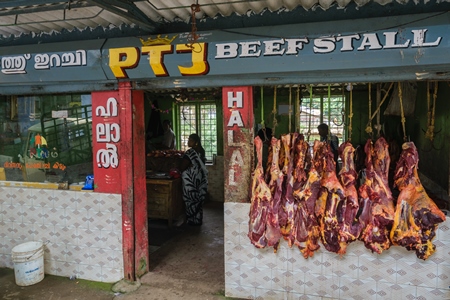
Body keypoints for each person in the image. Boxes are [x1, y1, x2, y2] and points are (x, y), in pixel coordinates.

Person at [180, 133, 208, 226]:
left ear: (196, 142)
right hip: (200, 180)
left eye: (190, 140)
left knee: (190, 199)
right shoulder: (202, 151)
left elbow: (183, 166)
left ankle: (190, 221)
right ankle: (198, 219)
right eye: (188, 139)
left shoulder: (190, 152)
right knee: (198, 199)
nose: (188, 141)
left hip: (190, 180)